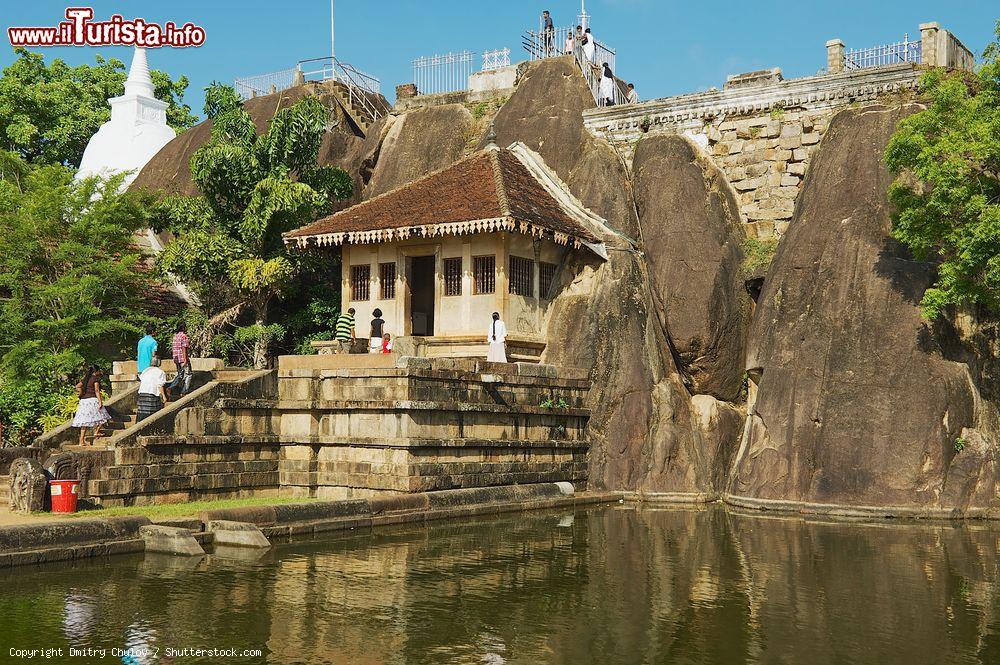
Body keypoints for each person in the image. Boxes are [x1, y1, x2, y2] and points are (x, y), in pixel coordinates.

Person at [72, 366, 110, 447]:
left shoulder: (85, 379)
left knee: (85, 421)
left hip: (84, 401)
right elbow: (96, 391)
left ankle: (81, 440)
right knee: (103, 416)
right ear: (96, 371)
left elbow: (77, 386)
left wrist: (81, 392)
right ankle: (96, 431)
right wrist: (100, 401)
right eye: (99, 370)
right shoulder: (95, 379)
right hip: (92, 400)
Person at [136, 356, 168, 422]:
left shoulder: (145, 370)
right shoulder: (160, 372)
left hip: (142, 392)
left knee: (142, 411)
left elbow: (141, 379)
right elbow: (160, 385)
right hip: (152, 393)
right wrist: (164, 396)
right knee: (152, 413)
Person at [167, 321, 192, 397]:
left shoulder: (175, 336)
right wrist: (185, 359)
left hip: (176, 359)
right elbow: (184, 348)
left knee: (180, 375)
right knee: (188, 374)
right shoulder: (183, 336)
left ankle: (172, 388)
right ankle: (183, 391)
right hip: (182, 358)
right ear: (183, 328)